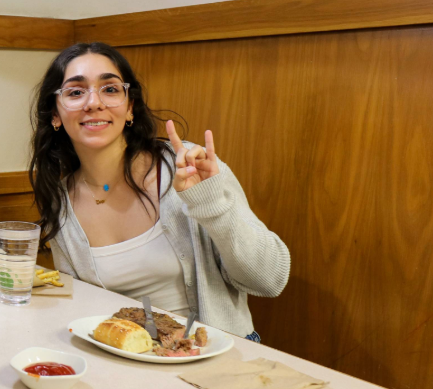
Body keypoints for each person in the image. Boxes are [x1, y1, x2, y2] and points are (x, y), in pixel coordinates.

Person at [28, 42, 289, 340]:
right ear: (55, 115)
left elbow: (270, 280)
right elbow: (85, 312)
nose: (94, 102)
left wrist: (211, 205)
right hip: (129, 360)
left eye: (110, 89)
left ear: (130, 107)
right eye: (75, 92)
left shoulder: (189, 166)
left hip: (218, 355)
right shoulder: (61, 203)